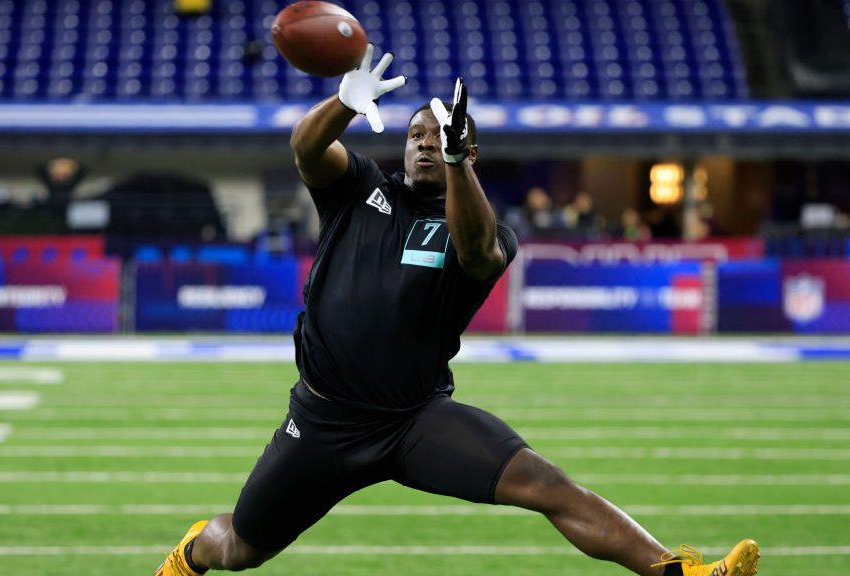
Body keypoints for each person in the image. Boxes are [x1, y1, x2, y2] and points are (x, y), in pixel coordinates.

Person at [155, 45, 760, 576]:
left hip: (413, 421)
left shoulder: (482, 225)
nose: (424, 144)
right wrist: (343, 100)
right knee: (239, 549)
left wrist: (455, 163)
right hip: (322, 421)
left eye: (439, 138)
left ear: (467, 149)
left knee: (547, 486)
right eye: (416, 135)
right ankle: (190, 555)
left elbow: (474, 251)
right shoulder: (361, 189)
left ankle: (678, 574)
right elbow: (307, 149)